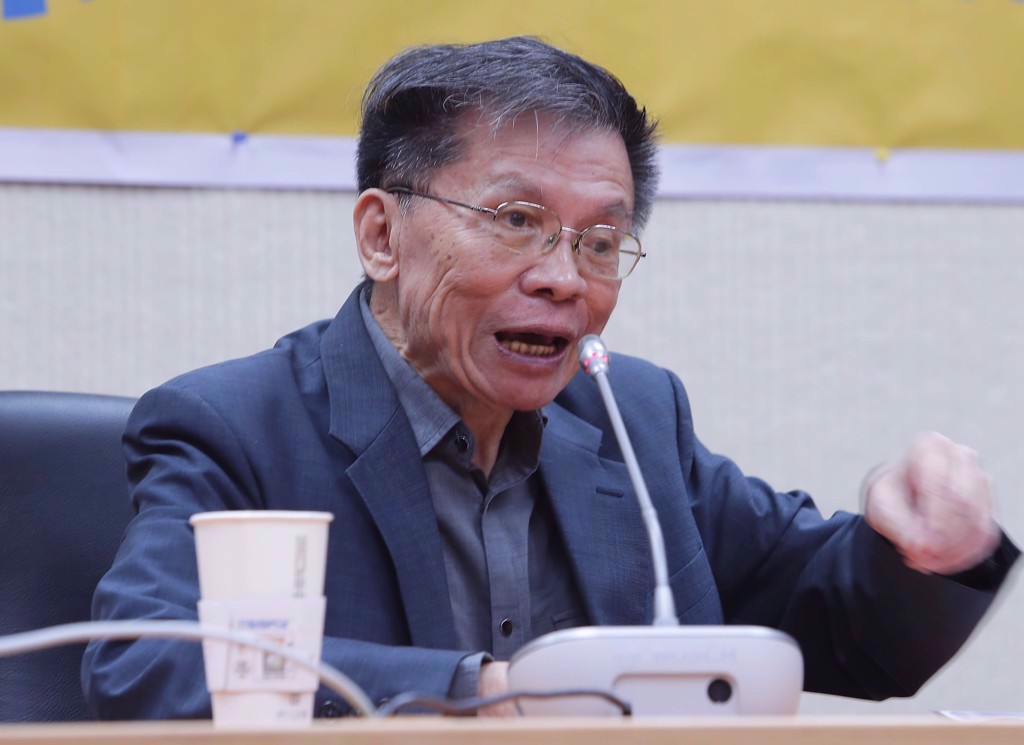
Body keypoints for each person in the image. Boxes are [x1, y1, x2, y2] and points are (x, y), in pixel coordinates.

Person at [83, 36, 1019, 719]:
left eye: (601, 241)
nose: (564, 277)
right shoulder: (237, 427)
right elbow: (145, 666)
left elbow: (841, 623)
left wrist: (928, 546)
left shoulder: (629, 415)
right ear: (381, 234)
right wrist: (483, 693)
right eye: (517, 221)